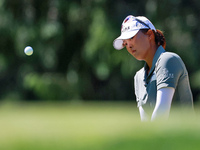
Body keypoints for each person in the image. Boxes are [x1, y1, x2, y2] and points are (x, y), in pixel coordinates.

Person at [113, 15, 194, 121]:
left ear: (150, 35)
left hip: (183, 137)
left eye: (131, 38)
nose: (129, 45)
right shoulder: (139, 76)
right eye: (125, 43)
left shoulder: (168, 60)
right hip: (160, 137)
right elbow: (146, 124)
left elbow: (162, 112)